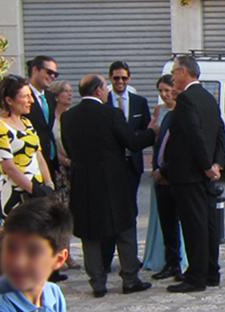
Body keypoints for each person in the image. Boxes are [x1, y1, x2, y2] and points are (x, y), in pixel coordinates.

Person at [61, 74, 155, 298]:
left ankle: (97, 282)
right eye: (105, 87)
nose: (107, 91)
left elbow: (69, 148)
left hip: (83, 181)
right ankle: (130, 278)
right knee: (124, 227)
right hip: (113, 181)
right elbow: (131, 142)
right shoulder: (111, 114)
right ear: (97, 91)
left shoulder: (68, 117)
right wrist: (152, 132)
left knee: (90, 233)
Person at [161, 56, 225, 293]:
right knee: (208, 224)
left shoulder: (187, 99)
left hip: (189, 174)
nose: (172, 77)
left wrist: (206, 165)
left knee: (194, 225)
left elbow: (194, 135)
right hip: (204, 172)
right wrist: (217, 162)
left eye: (174, 72)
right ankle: (211, 271)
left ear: (183, 72)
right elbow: (221, 132)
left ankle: (196, 276)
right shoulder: (208, 97)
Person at [104, 61, 152, 273]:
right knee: (108, 212)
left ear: (129, 78)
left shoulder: (139, 102)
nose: (120, 82)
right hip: (109, 167)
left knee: (129, 211)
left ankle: (129, 258)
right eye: (116, 78)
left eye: (124, 78)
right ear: (110, 79)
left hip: (131, 165)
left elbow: (146, 131)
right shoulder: (103, 102)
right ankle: (106, 258)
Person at [0, 75, 55, 220]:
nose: (31, 101)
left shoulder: (26, 123)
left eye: (31, 95)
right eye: (25, 96)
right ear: (9, 100)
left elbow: (38, 154)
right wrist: (33, 189)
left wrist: (48, 185)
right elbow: (8, 166)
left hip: (37, 191)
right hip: (16, 193)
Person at [145, 74, 186, 277]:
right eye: (161, 91)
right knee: (165, 221)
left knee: (178, 221)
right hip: (158, 170)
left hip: (174, 174)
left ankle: (178, 262)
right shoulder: (160, 111)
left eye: (168, 91)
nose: (164, 95)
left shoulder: (181, 112)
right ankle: (169, 262)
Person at [49, 79, 81, 271]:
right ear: (57, 95)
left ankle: (66, 253)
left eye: (71, 91)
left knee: (71, 213)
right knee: (59, 212)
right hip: (58, 170)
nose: (69, 95)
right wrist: (62, 159)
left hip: (73, 168)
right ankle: (56, 253)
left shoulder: (72, 116)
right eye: (65, 92)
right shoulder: (50, 118)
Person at [26, 55, 60, 176]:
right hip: (30, 159)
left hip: (50, 158)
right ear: (35, 70)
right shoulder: (23, 95)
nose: (52, 77)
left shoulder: (51, 97)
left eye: (56, 74)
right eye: (49, 72)